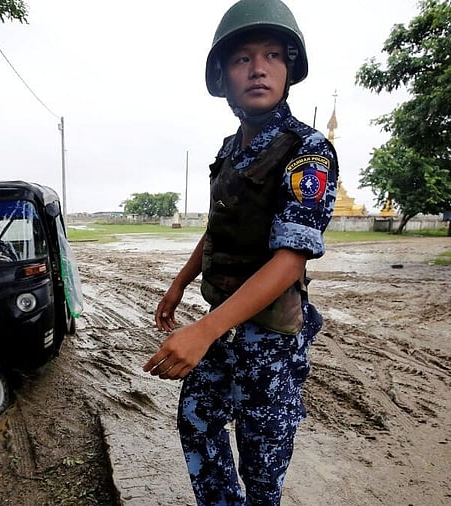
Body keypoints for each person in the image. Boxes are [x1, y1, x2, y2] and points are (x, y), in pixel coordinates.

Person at [142, 1, 339, 504]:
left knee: (261, 466)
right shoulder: (232, 149)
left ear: (289, 69)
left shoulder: (308, 150)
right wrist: (181, 281)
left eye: (273, 55)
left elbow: (290, 260)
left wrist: (202, 332)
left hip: (271, 338)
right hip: (223, 324)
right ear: (223, 77)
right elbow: (218, 228)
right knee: (197, 422)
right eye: (242, 58)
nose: (258, 68)